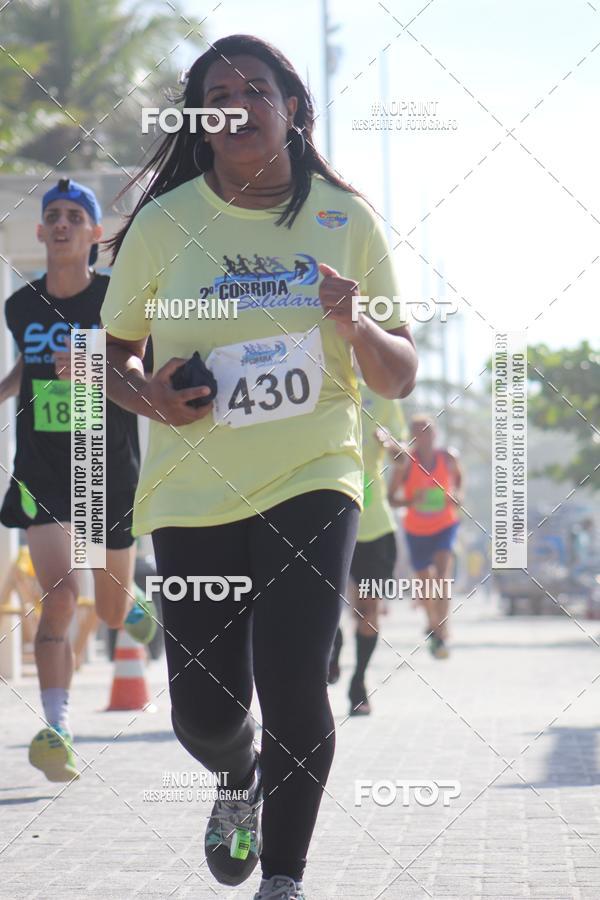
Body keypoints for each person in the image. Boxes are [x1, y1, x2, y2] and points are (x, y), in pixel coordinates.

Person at [101, 35, 417, 900]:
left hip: (314, 475)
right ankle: (234, 776)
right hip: (192, 492)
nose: (236, 101)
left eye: (256, 87)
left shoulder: (345, 220)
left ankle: (285, 877)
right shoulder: (167, 226)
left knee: (294, 684)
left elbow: (399, 373)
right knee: (204, 713)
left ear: (293, 109)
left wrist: (356, 327)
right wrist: (154, 397)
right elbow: (113, 360)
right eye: (217, 92)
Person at [0, 178, 156, 783]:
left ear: (94, 233)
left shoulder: (117, 301)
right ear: (40, 232)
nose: (61, 224)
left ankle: (131, 606)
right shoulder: (20, 306)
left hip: (105, 463)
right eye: (52, 216)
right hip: (41, 466)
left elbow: (135, 364)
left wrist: (97, 366)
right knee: (59, 596)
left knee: (112, 610)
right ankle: (57, 727)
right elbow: (28, 365)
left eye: (74, 216)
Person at [328, 379, 407, 717]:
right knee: (324, 605)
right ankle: (333, 647)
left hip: (373, 524)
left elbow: (403, 455)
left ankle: (358, 681)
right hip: (327, 517)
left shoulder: (383, 393)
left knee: (367, 610)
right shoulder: (323, 381)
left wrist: (391, 444)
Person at [389, 415, 462, 659]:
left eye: (428, 430)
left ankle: (442, 629)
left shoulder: (448, 457)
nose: (424, 436)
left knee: (442, 575)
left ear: (436, 432)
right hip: (417, 530)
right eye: (418, 432)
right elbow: (391, 498)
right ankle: (433, 624)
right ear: (413, 437)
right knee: (425, 583)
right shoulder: (406, 463)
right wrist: (412, 500)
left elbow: (459, 480)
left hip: (444, 524)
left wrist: (457, 496)